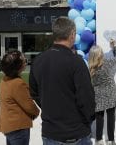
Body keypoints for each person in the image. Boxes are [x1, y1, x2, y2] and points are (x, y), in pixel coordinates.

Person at [29, 16, 96, 145]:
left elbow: (34, 92)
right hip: (75, 134)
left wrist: (49, 108)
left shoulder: (38, 60)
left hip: (51, 133)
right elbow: (86, 98)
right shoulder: (76, 62)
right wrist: (88, 119)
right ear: (72, 35)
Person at [0, 50, 39, 145]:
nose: (25, 62)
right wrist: (37, 112)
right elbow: (29, 105)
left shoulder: (4, 80)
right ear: (17, 67)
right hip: (18, 127)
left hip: (8, 126)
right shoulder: (18, 83)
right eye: (24, 61)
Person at [88, 39, 116, 145]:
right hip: (110, 93)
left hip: (97, 95)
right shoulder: (107, 63)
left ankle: (99, 140)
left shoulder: (91, 69)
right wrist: (114, 46)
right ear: (101, 54)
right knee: (111, 117)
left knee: (99, 118)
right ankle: (111, 140)